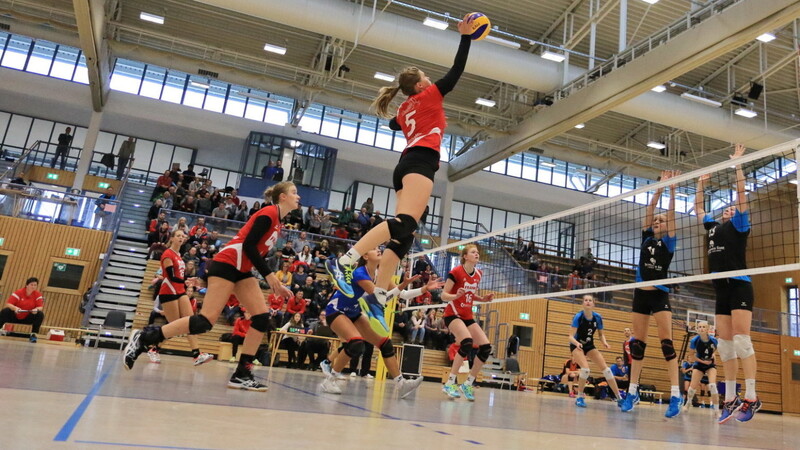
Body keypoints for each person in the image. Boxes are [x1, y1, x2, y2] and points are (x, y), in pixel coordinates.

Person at [325, 14, 475, 314]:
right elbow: (456, 71)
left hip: (407, 164)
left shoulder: (407, 105)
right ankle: (346, 259)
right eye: (426, 78)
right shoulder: (428, 96)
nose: (431, 80)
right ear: (420, 84)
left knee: (405, 232)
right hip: (420, 161)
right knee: (405, 223)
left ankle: (378, 295)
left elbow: (395, 124)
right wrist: (466, 36)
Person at [123, 182, 297, 392]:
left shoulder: (278, 222)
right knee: (204, 322)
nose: (298, 197)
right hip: (227, 264)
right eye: (294, 192)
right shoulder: (268, 213)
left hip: (241, 269)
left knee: (261, 318)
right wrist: (270, 276)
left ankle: (242, 374)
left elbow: (255, 252)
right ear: (282, 197)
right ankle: (145, 336)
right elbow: (248, 245)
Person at [695, 144, 760, 423]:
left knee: (743, 341)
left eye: (733, 208)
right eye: (728, 208)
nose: (730, 209)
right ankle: (731, 397)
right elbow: (698, 208)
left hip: (739, 284)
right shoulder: (712, 227)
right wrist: (699, 184)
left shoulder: (740, 226)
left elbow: (742, 196)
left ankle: (752, 396)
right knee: (725, 346)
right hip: (720, 288)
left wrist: (738, 165)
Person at [319, 247, 439, 398]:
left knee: (385, 343)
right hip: (336, 311)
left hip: (354, 312)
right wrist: (400, 286)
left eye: (378, 247)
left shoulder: (381, 274)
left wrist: (424, 289)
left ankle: (401, 383)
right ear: (365, 256)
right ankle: (330, 379)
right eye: (373, 248)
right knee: (355, 342)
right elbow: (379, 299)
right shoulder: (360, 273)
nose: (378, 249)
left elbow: (403, 295)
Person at [620, 170, 682, 418]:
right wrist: (659, 189)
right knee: (638, 345)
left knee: (666, 344)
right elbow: (649, 210)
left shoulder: (669, 242)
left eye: (661, 221)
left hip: (659, 294)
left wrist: (673, 189)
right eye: (655, 222)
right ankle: (632, 391)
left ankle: (676, 394)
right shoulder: (646, 238)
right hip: (640, 294)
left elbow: (673, 216)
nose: (657, 223)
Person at [151, 230, 214, 366]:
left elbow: (179, 276)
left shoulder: (179, 255)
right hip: (169, 291)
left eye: (183, 236)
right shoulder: (167, 254)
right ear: (172, 238)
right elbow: (171, 276)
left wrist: (189, 279)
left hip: (180, 291)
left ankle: (197, 354)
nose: (181, 238)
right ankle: (154, 349)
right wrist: (187, 281)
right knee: (174, 327)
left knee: (190, 323)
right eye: (178, 236)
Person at [440, 244, 494, 401]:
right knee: (467, 342)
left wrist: (481, 299)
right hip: (452, 314)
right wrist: (455, 296)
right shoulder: (455, 272)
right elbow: (443, 295)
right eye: (473, 252)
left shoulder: (478, 273)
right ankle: (450, 383)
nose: (476, 254)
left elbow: (470, 294)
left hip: (467, 315)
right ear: (465, 256)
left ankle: (468, 383)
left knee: (486, 347)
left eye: (477, 252)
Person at [567, 294, 623, 408]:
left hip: (589, 345)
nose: (588, 302)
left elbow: (601, 334)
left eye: (590, 300)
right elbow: (570, 336)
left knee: (607, 370)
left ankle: (619, 398)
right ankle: (580, 397)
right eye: (586, 300)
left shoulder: (597, 317)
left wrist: (604, 342)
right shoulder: (578, 316)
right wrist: (577, 343)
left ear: (593, 303)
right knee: (586, 370)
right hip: (577, 345)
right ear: (583, 303)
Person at [683, 320, 719, 412]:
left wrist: (713, 355)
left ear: (707, 329)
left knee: (712, 386)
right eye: (699, 327)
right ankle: (688, 403)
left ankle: (716, 409)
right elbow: (691, 356)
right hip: (699, 364)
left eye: (703, 327)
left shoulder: (714, 340)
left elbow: (715, 349)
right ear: (697, 329)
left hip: (710, 365)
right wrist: (702, 361)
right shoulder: (694, 340)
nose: (701, 329)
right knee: (692, 387)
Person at [0, 277, 44, 343]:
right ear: (27, 285)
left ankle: (33, 334)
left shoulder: (38, 295)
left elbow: (40, 307)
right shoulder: (18, 292)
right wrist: (15, 308)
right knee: (5, 311)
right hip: (15, 316)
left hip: (27, 317)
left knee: (40, 314)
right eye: (31, 285)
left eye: (35, 285)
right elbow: (8, 304)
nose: (33, 286)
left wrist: (36, 309)